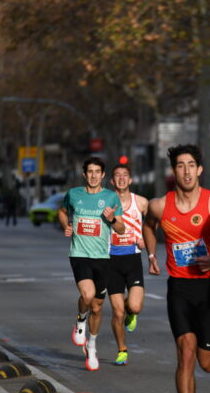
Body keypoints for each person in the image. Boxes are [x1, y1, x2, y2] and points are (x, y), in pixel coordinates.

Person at [142, 144, 210, 393]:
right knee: (185, 353)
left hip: (209, 289)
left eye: (190, 165)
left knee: (207, 364)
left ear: (199, 169)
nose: (186, 171)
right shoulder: (160, 205)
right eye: (180, 165)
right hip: (179, 288)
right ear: (174, 171)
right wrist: (151, 254)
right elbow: (149, 226)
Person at [58, 157, 125, 371]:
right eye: (90, 171)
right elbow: (62, 212)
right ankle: (80, 321)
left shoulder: (111, 197)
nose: (94, 175)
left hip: (102, 258)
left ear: (103, 175)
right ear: (84, 174)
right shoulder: (74, 194)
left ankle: (92, 345)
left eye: (98, 171)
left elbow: (122, 229)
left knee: (97, 307)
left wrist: (112, 219)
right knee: (87, 295)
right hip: (79, 254)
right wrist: (66, 225)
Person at [107, 163, 149, 365]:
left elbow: (152, 225)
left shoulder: (140, 202)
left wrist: (146, 242)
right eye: (117, 175)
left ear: (130, 180)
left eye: (125, 175)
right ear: (112, 181)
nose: (122, 178)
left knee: (134, 305)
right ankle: (122, 349)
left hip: (132, 259)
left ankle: (130, 312)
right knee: (117, 312)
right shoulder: (105, 204)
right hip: (111, 260)